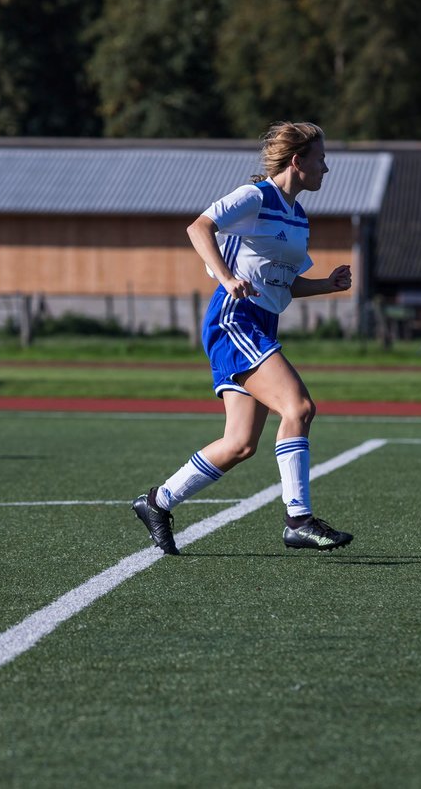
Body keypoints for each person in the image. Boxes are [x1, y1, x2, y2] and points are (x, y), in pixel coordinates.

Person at [132, 121, 354, 555]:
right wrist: (228, 276)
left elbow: (284, 284)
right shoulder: (256, 196)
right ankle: (299, 519)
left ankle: (157, 502)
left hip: (260, 323)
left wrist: (326, 284)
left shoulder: (298, 216)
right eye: (321, 159)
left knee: (240, 444)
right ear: (297, 161)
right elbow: (199, 228)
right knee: (300, 407)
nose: (326, 168)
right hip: (235, 319)